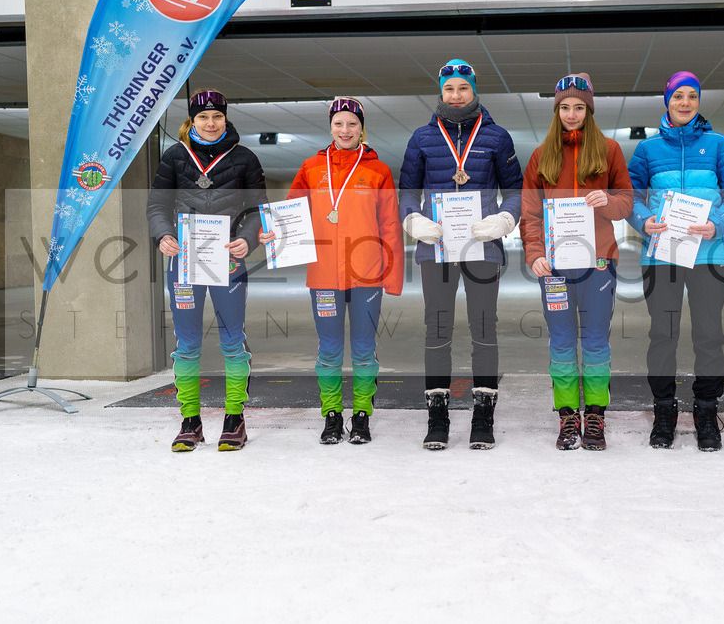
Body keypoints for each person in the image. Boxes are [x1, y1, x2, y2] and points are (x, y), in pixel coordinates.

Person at [259, 97, 404, 445]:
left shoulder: (378, 171)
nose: (345, 130)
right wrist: (273, 233)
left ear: (361, 128)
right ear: (330, 127)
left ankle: (363, 414)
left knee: (364, 348)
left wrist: (392, 276)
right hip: (323, 273)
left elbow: (390, 226)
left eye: (352, 124)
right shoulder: (311, 167)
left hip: (367, 272)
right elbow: (292, 212)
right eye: (339, 123)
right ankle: (332, 414)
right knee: (329, 349)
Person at [398, 59, 523, 450]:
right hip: (434, 246)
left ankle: (483, 410)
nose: (455, 95)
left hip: (482, 246)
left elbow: (517, 190)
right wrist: (412, 220)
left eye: (462, 88)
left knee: (484, 327)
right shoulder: (421, 137)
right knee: (437, 328)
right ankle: (438, 412)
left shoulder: (497, 136)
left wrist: (506, 218)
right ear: (441, 91)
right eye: (449, 88)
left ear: (473, 91)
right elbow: (405, 192)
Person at [626, 71, 724, 452]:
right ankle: (664, 410)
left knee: (709, 336)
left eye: (691, 97)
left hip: (710, 254)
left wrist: (717, 223)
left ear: (698, 102)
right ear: (667, 101)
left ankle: (706, 410)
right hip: (662, 254)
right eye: (678, 96)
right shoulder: (647, 150)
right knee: (663, 334)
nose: (685, 103)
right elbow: (629, 195)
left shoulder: (718, 144)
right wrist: (643, 220)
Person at [146, 89, 268, 452]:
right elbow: (157, 205)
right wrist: (163, 234)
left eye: (217, 116)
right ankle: (190, 421)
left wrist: (248, 239)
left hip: (229, 259)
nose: (211, 123)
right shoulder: (174, 156)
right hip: (184, 261)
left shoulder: (244, 157)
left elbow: (257, 209)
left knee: (232, 340)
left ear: (225, 119)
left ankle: (234, 418)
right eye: (203, 117)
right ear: (192, 120)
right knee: (186, 344)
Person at [519, 74, 633, 450]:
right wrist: (534, 254)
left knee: (597, 341)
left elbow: (627, 201)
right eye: (565, 107)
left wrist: (609, 202)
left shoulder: (610, 150)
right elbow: (530, 213)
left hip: (599, 262)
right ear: (557, 110)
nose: (571, 114)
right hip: (554, 267)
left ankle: (596, 416)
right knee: (563, 341)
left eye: (579, 107)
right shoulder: (540, 155)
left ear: (589, 110)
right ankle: (568, 416)